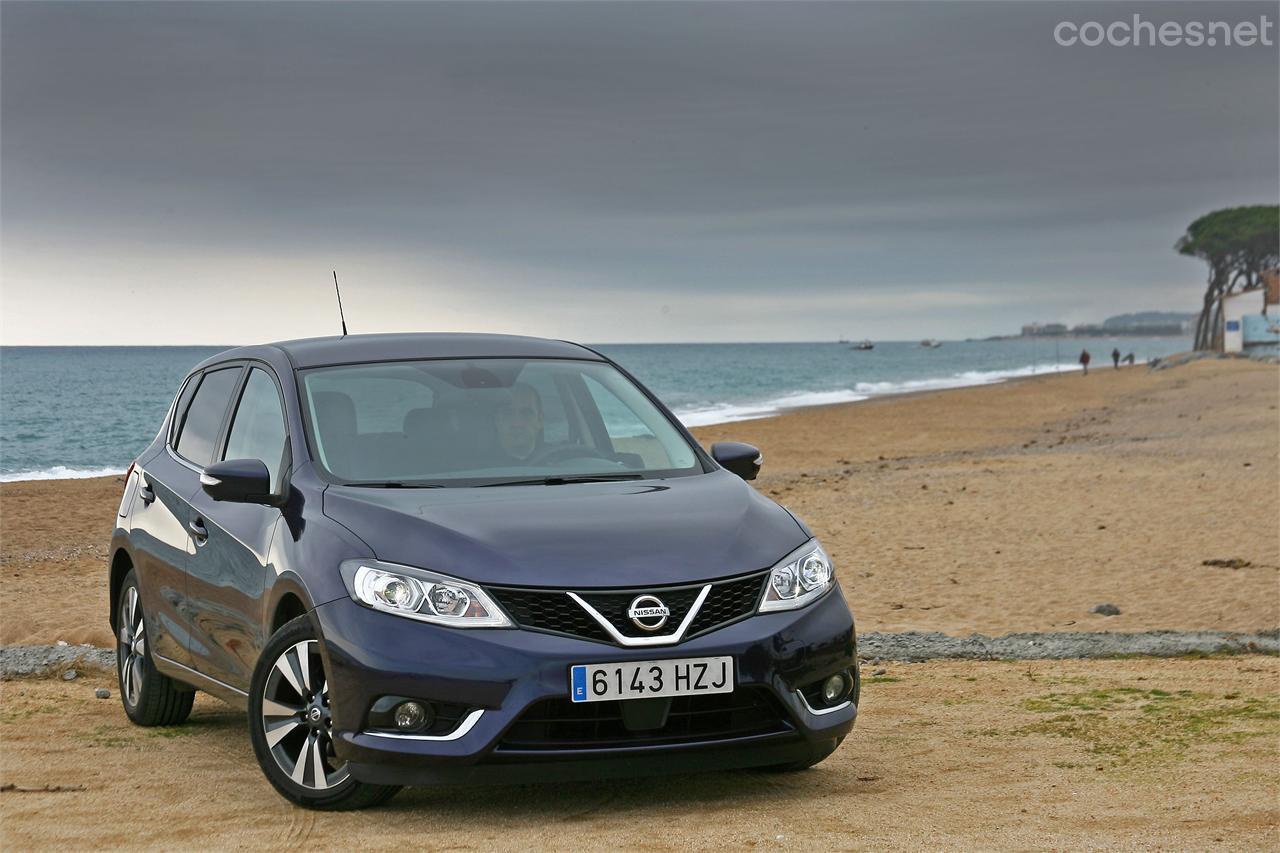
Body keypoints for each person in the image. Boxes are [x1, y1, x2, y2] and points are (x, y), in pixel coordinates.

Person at [494, 383, 545, 462]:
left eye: (526, 413)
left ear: (540, 420)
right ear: (497, 420)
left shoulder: (564, 462)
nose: (517, 423)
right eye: (508, 413)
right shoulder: (474, 468)